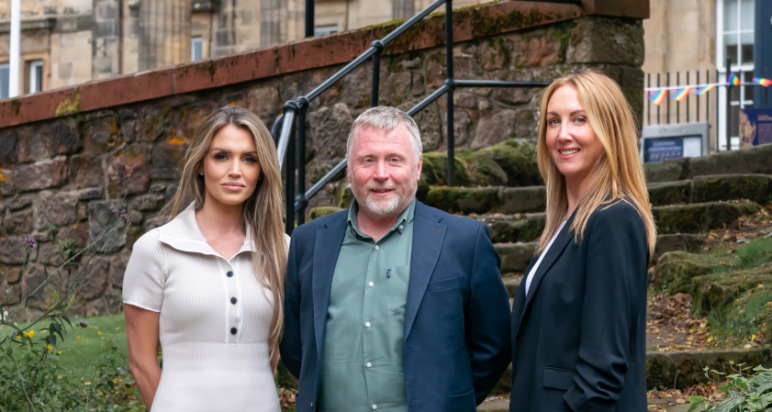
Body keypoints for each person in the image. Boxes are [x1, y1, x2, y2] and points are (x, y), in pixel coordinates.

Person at [281, 106, 511, 412]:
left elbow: (494, 346)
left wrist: (445, 396)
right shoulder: (308, 242)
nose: (381, 174)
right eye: (367, 160)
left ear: (417, 168)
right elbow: (297, 347)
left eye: (394, 159)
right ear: (349, 170)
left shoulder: (464, 241)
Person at [123, 106, 289, 412]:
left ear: (262, 169)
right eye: (221, 156)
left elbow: (275, 355)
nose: (235, 170)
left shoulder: (283, 250)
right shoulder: (155, 248)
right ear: (201, 164)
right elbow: (141, 363)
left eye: (249, 159)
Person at [509, 71, 657, 412]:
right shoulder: (565, 223)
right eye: (553, 121)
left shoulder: (614, 218)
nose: (563, 135)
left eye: (579, 120)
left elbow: (602, 371)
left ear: (609, 130)